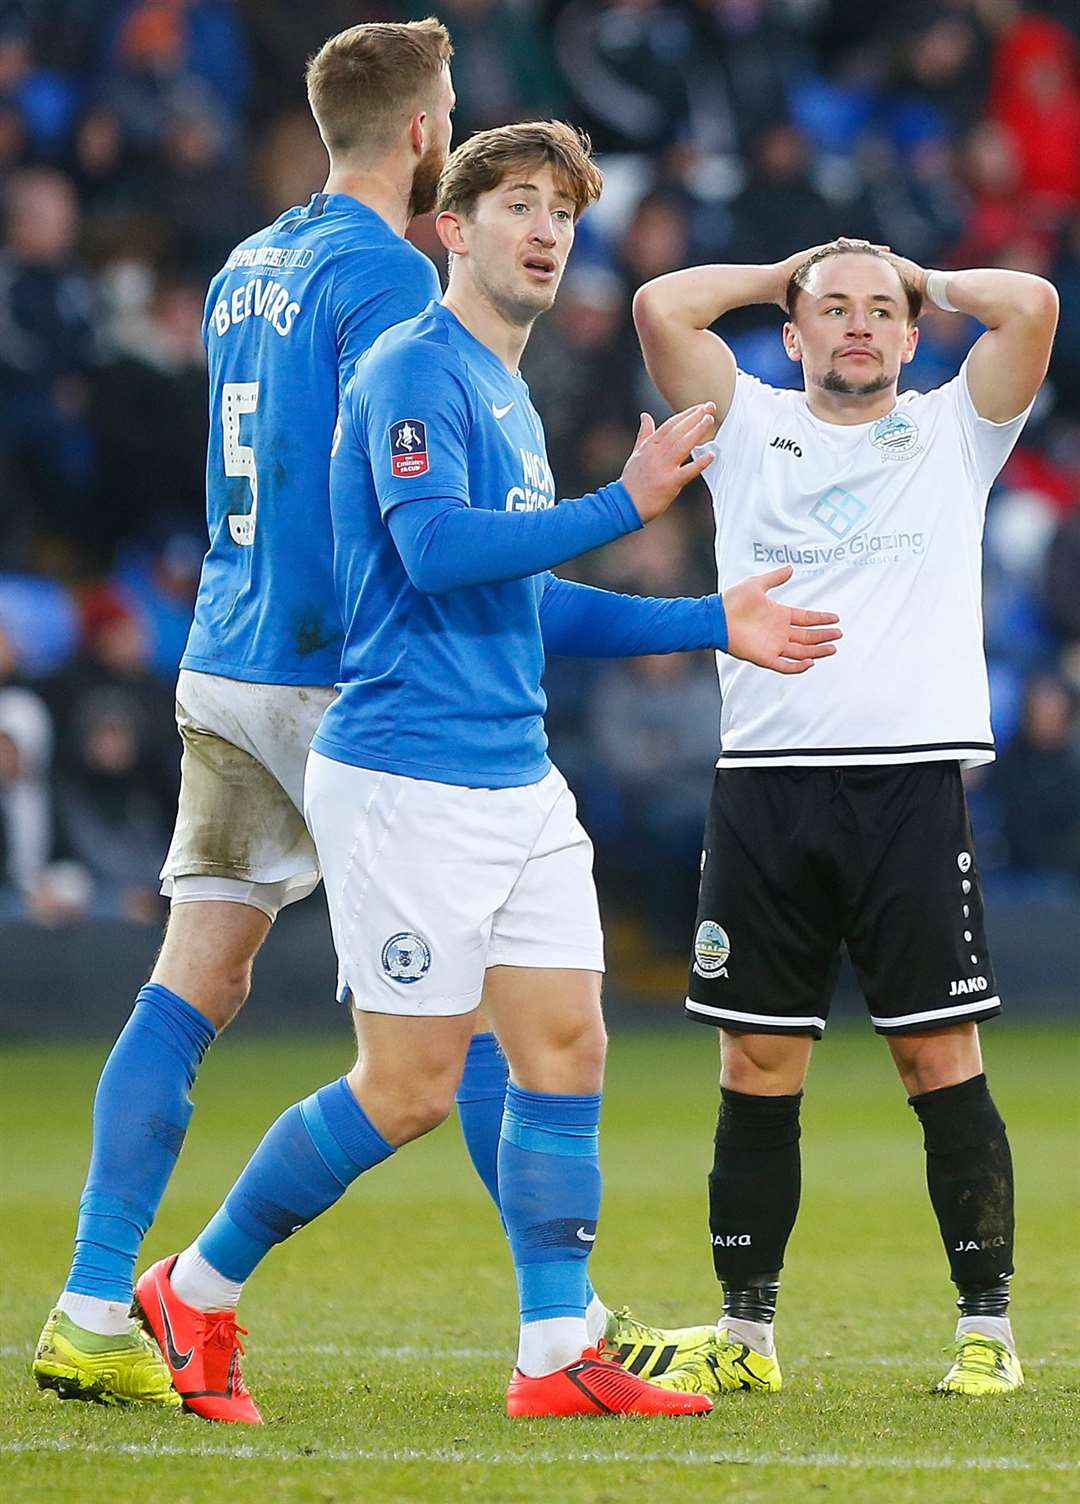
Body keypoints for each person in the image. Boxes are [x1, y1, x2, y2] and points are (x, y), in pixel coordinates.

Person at [134, 121, 842, 1423]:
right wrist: (627, 503)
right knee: (404, 1090)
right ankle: (196, 1287)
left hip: (516, 776)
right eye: (518, 205)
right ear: (449, 228)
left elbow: (527, 603)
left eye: (563, 215)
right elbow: (441, 552)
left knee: (566, 1045)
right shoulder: (413, 368)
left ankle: (554, 1349)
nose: (546, 232)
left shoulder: (504, 392)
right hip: (408, 778)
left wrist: (709, 618)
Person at [33, 17, 457, 1412]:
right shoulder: (390, 272)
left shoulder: (245, 265)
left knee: (193, 980)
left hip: (222, 655)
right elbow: (389, 478)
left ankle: (95, 1303)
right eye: (446, 107)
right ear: (418, 132)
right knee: (488, 993)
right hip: (337, 670)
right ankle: (562, 1330)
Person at [633, 236, 1057, 1396]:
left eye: (884, 311)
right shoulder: (749, 422)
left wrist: (916, 272)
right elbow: (662, 306)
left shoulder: (953, 431)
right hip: (765, 786)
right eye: (835, 309)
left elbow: (1030, 303)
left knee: (937, 1055)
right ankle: (747, 1334)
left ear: (914, 334)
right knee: (756, 1061)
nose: (860, 325)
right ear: (794, 329)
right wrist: (791, 269)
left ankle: (986, 1331)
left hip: (907, 787)